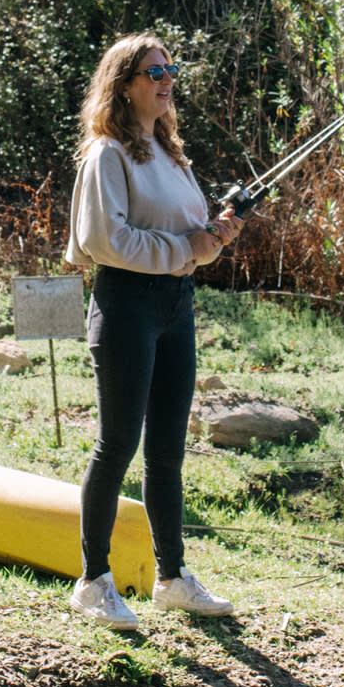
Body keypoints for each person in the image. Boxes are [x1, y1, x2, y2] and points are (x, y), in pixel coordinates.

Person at [65, 32, 242, 633]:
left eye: (170, 69)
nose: (167, 79)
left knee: (167, 451)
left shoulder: (168, 153)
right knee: (117, 445)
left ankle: (173, 580)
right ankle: (93, 582)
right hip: (127, 307)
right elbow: (105, 243)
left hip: (175, 306)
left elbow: (192, 249)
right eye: (154, 71)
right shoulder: (107, 154)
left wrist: (215, 236)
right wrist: (186, 247)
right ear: (124, 85)